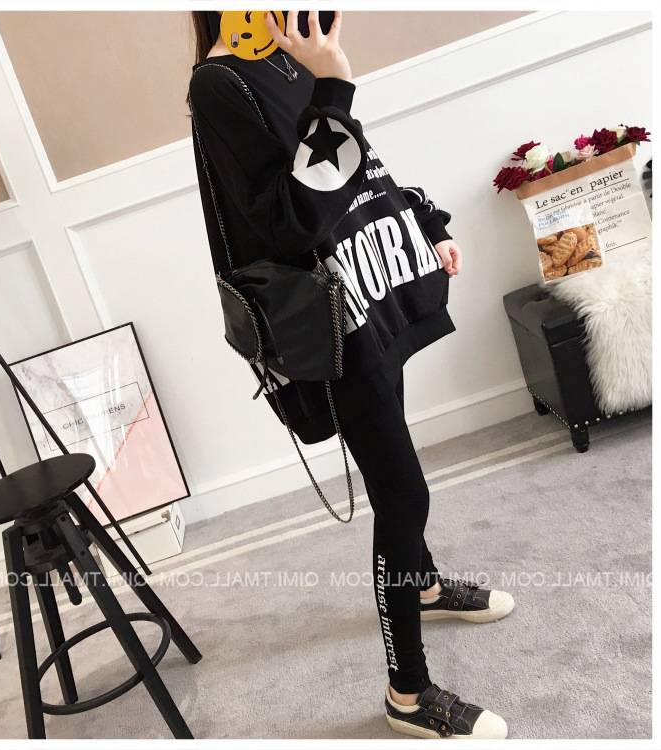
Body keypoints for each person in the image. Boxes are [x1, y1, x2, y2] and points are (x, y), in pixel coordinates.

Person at [188, 10, 514, 740]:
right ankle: (408, 693)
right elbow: (292, 218)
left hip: (364, 286)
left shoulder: (287, 55)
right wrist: (333, 87)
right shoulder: (219, 83)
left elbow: (355, 163)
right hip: (327, 316)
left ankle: (421, 586)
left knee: (395, 463)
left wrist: (422, 221)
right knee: (402, 492)